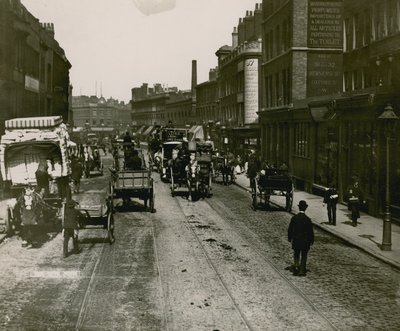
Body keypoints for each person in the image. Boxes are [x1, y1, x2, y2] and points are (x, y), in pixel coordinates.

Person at [288, 200, 314, 276]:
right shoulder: (308, 219)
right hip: (305, 241)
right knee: (304, 255)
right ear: (305, 208)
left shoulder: (294, 218)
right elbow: (310, 231)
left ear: (299, 208)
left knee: (296, 253)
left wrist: (290, 238)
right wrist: (311, 240)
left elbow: (290, 229)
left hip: (296, 240)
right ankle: (302, 270)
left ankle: (296, 266)